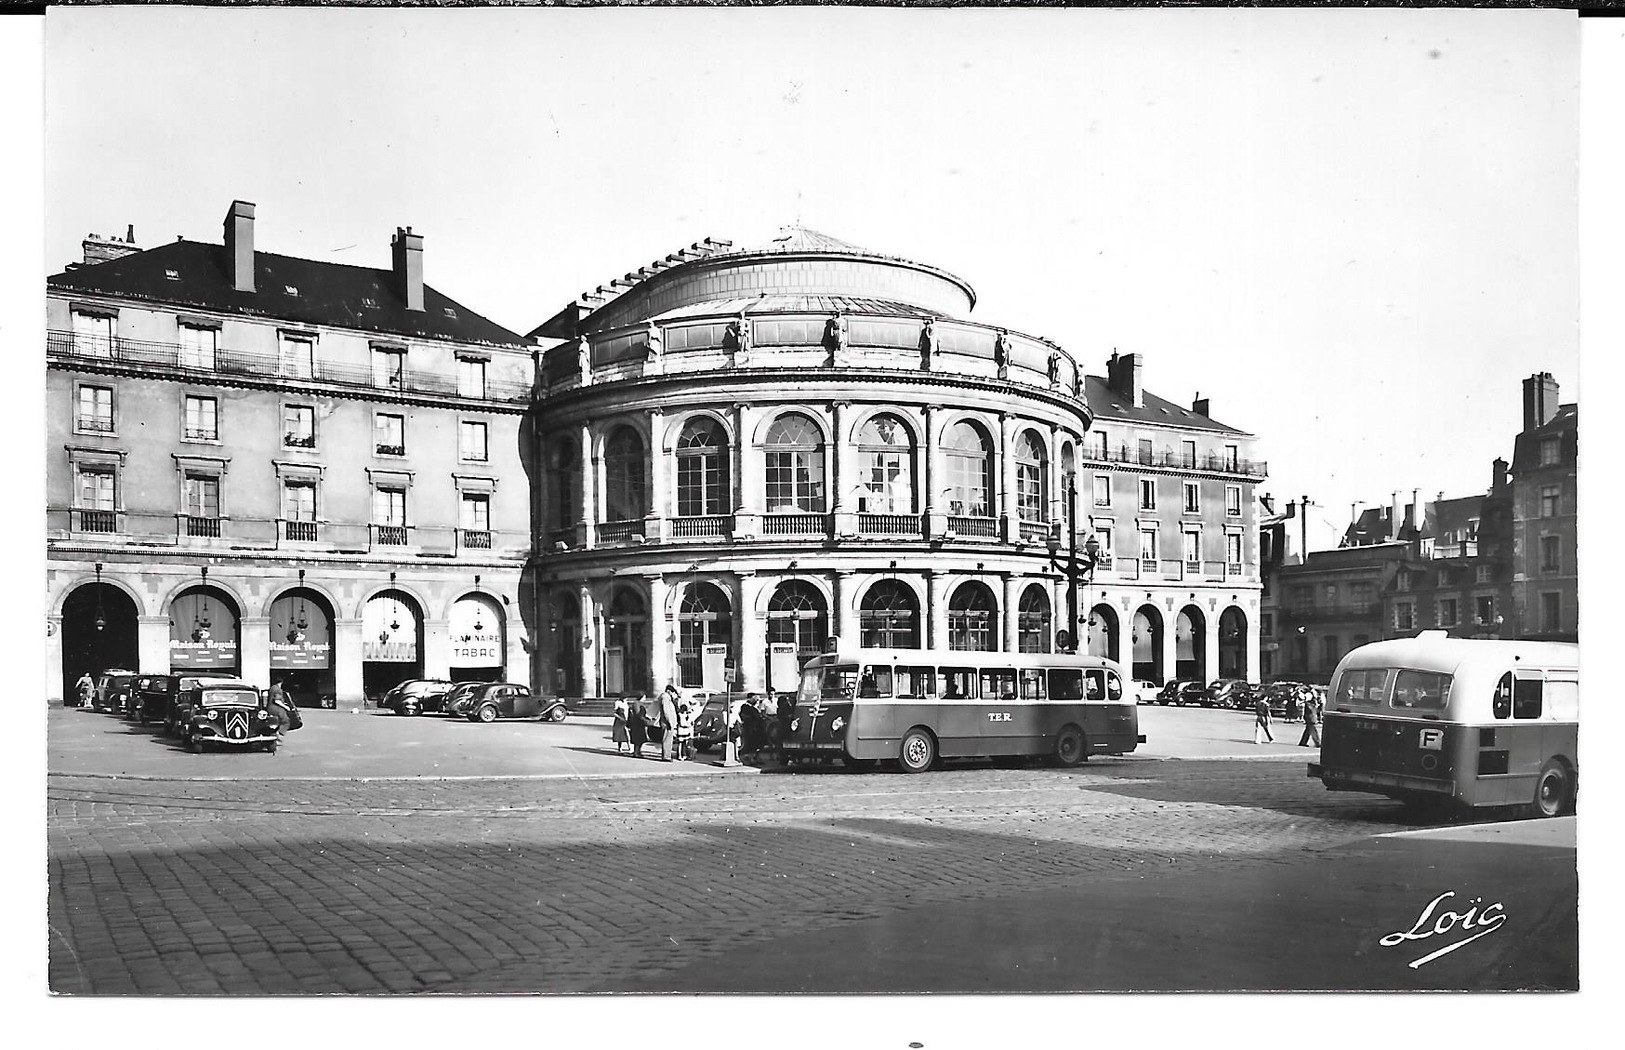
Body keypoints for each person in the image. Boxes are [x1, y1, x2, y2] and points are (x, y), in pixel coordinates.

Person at [658, 685, 679, 762]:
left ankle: (667, 755)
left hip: (668, 722)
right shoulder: (665, 698)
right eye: (672, 692)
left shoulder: (667, 698)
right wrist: (670, 722)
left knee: (668, 739)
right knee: (667, 739)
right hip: (667, 722)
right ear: (669, 691)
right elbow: (666, 711)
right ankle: (666, 756)